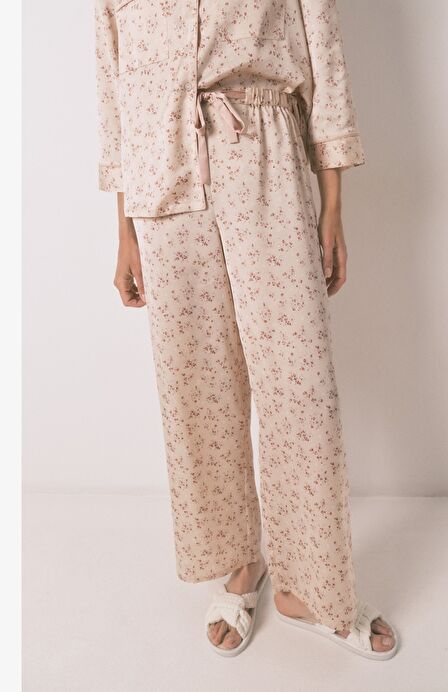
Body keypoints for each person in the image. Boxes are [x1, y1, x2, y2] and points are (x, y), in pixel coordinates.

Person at [95, 0, 399, 659]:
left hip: (264, 153)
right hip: (161, 181)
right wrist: (124, 232)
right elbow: (115, 92)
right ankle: (240, 561)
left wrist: (332, 205)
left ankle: (310, 587)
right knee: (199, 389)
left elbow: (324, 57)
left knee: (301, 389)